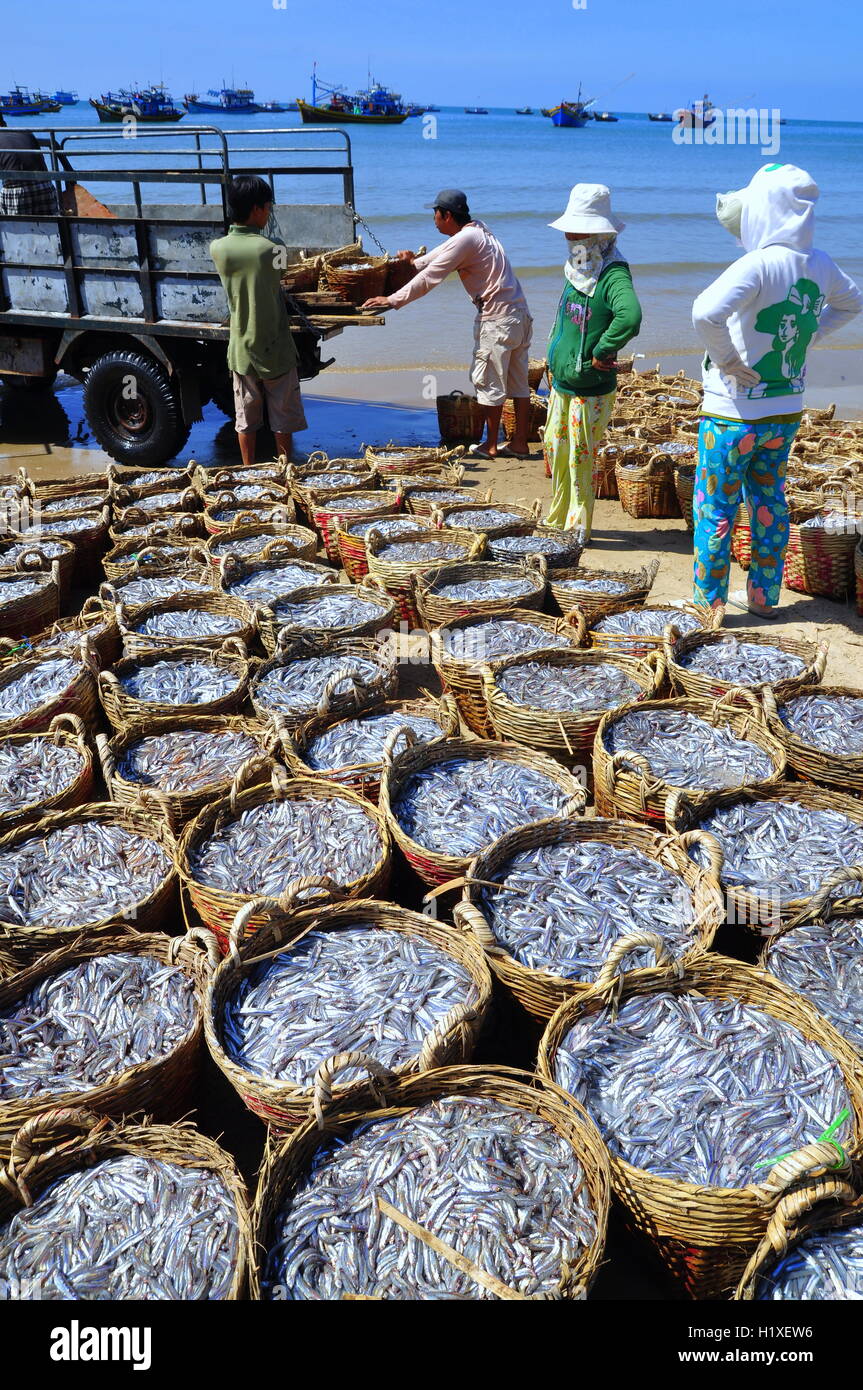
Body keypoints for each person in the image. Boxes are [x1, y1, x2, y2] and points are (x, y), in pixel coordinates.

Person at [692, 163, 863, 618]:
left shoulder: (759, 262)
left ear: (762, 209)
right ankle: (765, 599)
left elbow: (704, 313)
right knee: (769, 502)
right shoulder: (819, 263)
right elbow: (852, 302)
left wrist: (727, 360)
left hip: (732, 414)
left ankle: (709, 605)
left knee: (716, 510)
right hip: (784, 412)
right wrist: (811, 335)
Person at [362, 189, 532, 459]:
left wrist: (392, 300)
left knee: (488, 383)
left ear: (447, 215)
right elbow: (434, 260)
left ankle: (489, 446)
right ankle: (520, 443)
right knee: (519, 384)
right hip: (518, 315)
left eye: (435, 214)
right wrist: (412, 263)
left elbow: (430, 278)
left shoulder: (466, 239)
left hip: (497, 319)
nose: (434, 219)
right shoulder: (478, 231)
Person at [543, 183, 642, 538]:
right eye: (569, 230)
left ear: (598, 233)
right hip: (564, 381)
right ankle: (557, 517)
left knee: (580, 457)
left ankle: (577, 527)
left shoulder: (613, 272)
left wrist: (602, 350)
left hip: (591, 387)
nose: (569, 236)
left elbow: (629, 316)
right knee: (556, 450)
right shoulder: (580, 265)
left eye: (577, 230)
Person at [210, 175, 306, 465]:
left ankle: (248, 470)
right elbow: (282, 276)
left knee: (246, 419)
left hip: (241, 347)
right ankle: (285, 470)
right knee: (282, 419)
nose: (269, 212)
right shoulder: (273, 248)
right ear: (256, 209)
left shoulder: (218, 248)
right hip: (275, 345)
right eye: (267, 207)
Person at [0, 112, 60, 215]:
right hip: (45, 186)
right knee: (51, 228)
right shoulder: (25, 132)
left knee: (16, 229)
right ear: (4, 123)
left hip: (16, 192)